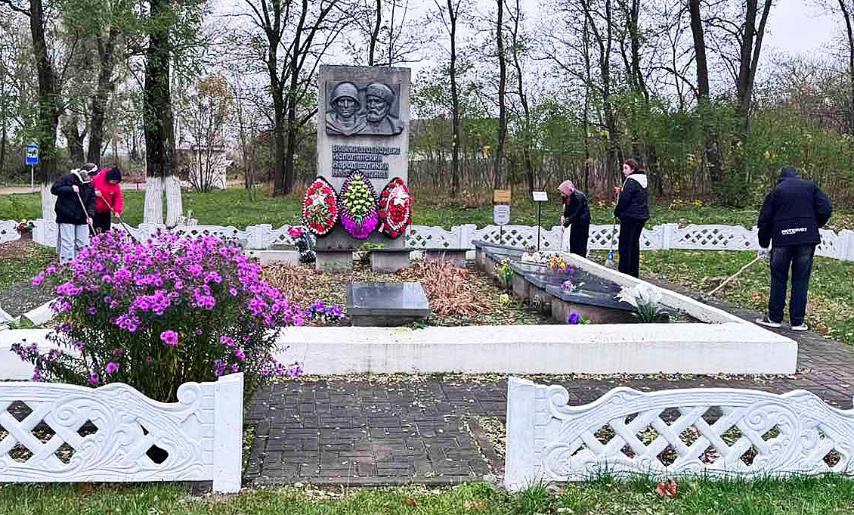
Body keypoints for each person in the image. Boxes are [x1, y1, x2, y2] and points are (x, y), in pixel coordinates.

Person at [755, 166, 832, 331]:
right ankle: (797, 322)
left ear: (781, 178)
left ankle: (774, 318)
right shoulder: (811, 187)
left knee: (779, 278)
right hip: (806, 240)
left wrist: (764, 243)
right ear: (797, 176)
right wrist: (812, 225)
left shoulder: (777, 191)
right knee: (801, 279)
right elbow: (826, 209)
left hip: (782, 240)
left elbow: (765, 220)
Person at [51, 166, 95, 263]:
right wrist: (70, 188)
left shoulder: (90, 184)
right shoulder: (68, 178)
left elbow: (92, 200)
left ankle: (81, 265)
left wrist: (90, 215)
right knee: (68, 242)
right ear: (84, 173)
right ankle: (67, 265)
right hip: (66, 215)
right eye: (90, 176)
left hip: (82, 217)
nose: (91, 178)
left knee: (83, 242)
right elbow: (54, 189)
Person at [614, 158, 649, 278]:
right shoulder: (642, 181)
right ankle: (633, 273)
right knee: (634, 244)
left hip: (630, 217)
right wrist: (621, 191)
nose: (624, 170)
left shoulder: (630, 181)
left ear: (632, 169)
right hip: (640, 216)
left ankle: (624, 273)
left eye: (626, 168)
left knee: (625, 245)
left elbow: (625, 200)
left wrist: (617, 211)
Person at [558, 180, 590, 257]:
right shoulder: (568, 197)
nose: (562, 194)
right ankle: (574, 257)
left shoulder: (579, 196)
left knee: (581, 243)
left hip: (582, 222)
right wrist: (564, 216)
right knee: (573, 241)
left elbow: (576, 212)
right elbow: (567, 210)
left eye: (563, 192)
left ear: (567, 190)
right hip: (575, 222)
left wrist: (566, 223)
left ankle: (581, 259)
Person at [92, 167, 124, 233]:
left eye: (116, 182)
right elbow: (88, 190)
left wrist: (117, 211)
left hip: (106, 209)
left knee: (106, 229)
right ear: (109, 177)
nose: (114, 183)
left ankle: (106, 239)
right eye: (113, 181)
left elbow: (118, 197)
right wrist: (94, 193)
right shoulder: (97, 178)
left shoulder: (116, 185)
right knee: (95, 229)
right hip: (94, 209)